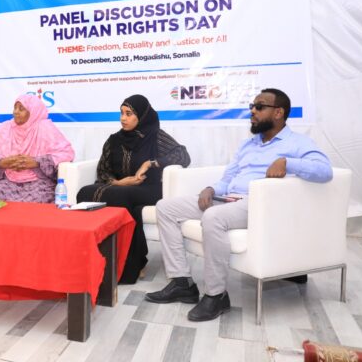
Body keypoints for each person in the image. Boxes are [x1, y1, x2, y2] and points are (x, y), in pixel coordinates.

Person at [145, 88, 333, 322]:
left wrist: (288, 162)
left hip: (258, 203)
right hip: (229, 198)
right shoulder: (248, 145)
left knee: (213, 217)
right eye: (252, 106)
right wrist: (211, 189)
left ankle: (216, 296)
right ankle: (181, 282)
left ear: (278, 113)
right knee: (166, 207)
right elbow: (228, 177)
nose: (252, 111)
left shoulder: (297, 143)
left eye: (259, 107)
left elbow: (325, 171)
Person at [76, 94, 191, 284]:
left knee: (120, 196)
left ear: (142, 116)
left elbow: (183, 156)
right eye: (121, 113)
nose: (123, 118)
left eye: (128, 114)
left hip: (150, 189)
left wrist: (151, 163)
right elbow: (103, 171)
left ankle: (128, 265)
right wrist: (120, 183)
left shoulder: (155, 136)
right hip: (120, 189)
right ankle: (96, 260)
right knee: (84, 192)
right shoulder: (114, 140)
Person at [0, 94, 75, 203]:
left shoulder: (45, 128)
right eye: (15, 108)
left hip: (38, 182)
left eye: (21, 109)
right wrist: (2, 162)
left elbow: (66, 153)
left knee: (35, 200)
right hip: (9, 180)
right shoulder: (6, 127)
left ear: (33, 111)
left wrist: (36, 162)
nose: (15, 112)